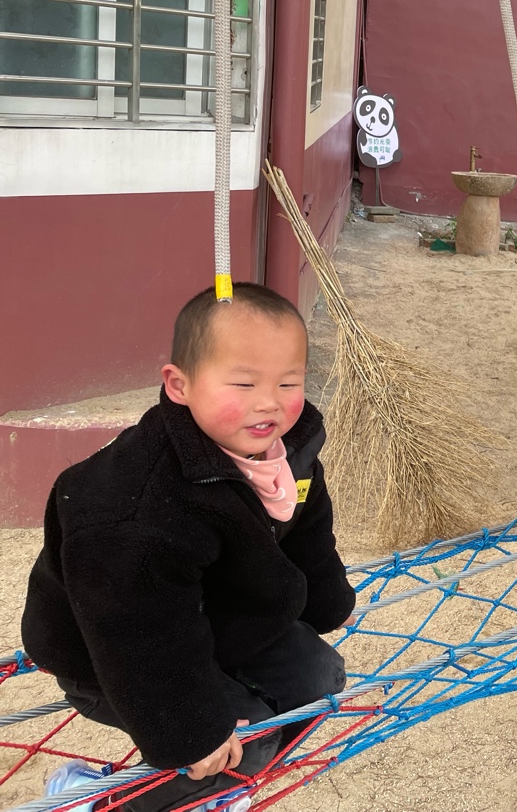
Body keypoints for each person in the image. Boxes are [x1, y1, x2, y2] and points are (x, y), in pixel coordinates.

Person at [23, 284, 354, 812]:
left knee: (320, 680)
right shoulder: (138, 509)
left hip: (213, 617)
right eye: (244, 383)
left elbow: (308, 525)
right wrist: (191, 731)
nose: (269, 401)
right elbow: (136, 629)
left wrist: (327, 599)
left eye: (288, 382)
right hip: (110, 653)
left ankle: (209, 789)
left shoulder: (283, 451)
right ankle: (100, 803)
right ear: (180, 385)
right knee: (240, 743)